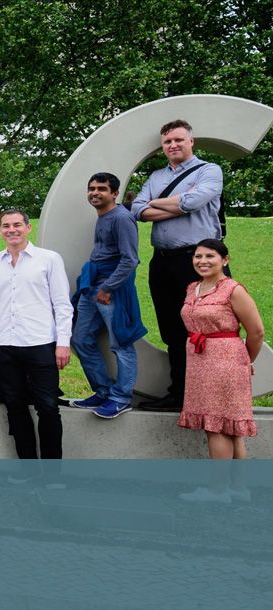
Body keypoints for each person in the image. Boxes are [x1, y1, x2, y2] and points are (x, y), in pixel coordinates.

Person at [131, 119, 224, 413]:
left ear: (191, 142)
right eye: (168, 141)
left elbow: (194, 202)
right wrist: (175, 205)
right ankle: (179, 394)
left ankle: (209, 397)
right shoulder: (157, 175)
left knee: (206, 330)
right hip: (162, 262)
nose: (173, 145)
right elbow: (137, 210)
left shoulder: (210, 170)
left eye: (178, 140)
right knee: (173, 332)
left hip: (197, 262)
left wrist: (156, 205)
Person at [0, 209, 73, 460]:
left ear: (28, 228)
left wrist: (63, 343)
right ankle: (27, 467)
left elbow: (62, 304)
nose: (12, 230)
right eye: (6, 225)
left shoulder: (49, 259)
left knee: (48, 407)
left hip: (40, 342)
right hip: (3, 344)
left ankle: (52, 470)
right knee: (15, 406)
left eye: (17, 224)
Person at [178, 239, 264, 461]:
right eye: (198, 256)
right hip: (200, 362)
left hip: (225, 361)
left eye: (210, 256)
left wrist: (244, 361)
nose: (202, 261)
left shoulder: (233, 290)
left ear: (225, 260)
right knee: (228, 427)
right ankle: (237, 489)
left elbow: (256, 332)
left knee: (217, 425)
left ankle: (218, 491)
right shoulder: (192, 288)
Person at [69, 173, 145, 419]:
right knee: (80, 339)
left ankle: (121, 398)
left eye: (102, 188)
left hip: (111, 290)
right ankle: (102, 390)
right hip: (92, 285)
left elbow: (130, 259)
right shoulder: (103, 216)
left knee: (121, 343)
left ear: (114, 193)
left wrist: (108, 288)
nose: (95, 192)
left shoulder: (122, 218)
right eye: (91, 188)